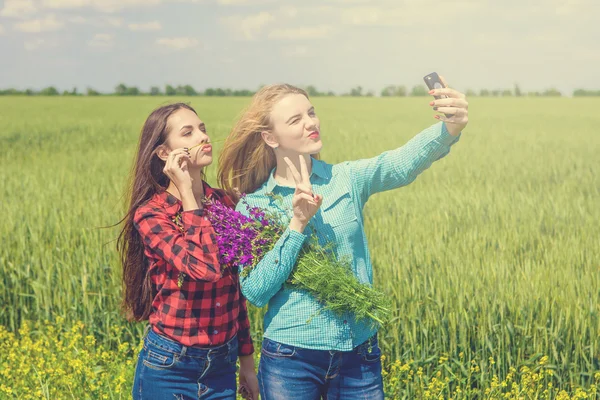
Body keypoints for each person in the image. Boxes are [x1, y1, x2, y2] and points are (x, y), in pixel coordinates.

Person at [217, 81, 468, 399]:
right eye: (296, 120)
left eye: (311, 112)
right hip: (291, 359)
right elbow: (254, 290)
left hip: (357, 354)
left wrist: (450, 129)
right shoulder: (254, 206)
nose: (311, 122)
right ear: (270, 137)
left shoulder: (345, 178)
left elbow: (399, 163)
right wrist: (296, 225)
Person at [117, 103, 258, 399]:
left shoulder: (225, 203)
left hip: (222, 365)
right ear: (164, 154)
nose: (202, 137)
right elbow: (203, 268)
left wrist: (246, 361)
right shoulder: (152, 215)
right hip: (170, 365)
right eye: (188, 132)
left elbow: (235, 290)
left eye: (203, 129)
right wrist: (188, 195)